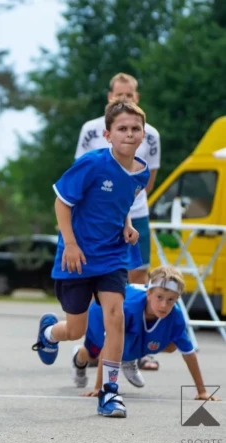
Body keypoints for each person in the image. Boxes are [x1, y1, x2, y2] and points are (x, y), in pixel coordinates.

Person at [31, 98, 150, 418]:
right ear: (108, 135)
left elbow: (122, 202)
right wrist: (70, 244)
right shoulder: (92, 164)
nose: (129, 134)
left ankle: (110, 392)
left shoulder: (142, 172)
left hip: (112, 256)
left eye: (135, 128)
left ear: (143, 134)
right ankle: (48, 334)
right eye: (122, 129)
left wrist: (127, 226)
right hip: (77, 256)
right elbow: (62, 203)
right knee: (75, 329)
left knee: (116, 317)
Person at [75, 73, 162, 373]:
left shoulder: (150, 134)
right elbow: (80, 173)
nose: (124, 100)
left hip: (135, 211)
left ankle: (133, 350)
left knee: (138, 280)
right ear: (109, 97)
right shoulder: (91, 130)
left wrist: (127, 203)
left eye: (130, 96)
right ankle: (95, 341)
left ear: (137, 98)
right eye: (118, 95)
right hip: (98, 215)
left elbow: (147, 178)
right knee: (96, 281)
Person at [72, 266, 220, 403]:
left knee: (173, 345)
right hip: (101, 313)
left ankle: (128, 358)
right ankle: (78, 359)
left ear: (177, 300)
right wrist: (99, 388)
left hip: (133, 333)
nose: (164, 305)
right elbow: (108, 346)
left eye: (170, 300)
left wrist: (202, 391)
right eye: (159, 297)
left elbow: (189, 353)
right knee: (93, 354)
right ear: (149, 294)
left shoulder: (176, 316)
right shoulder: (129, 308)